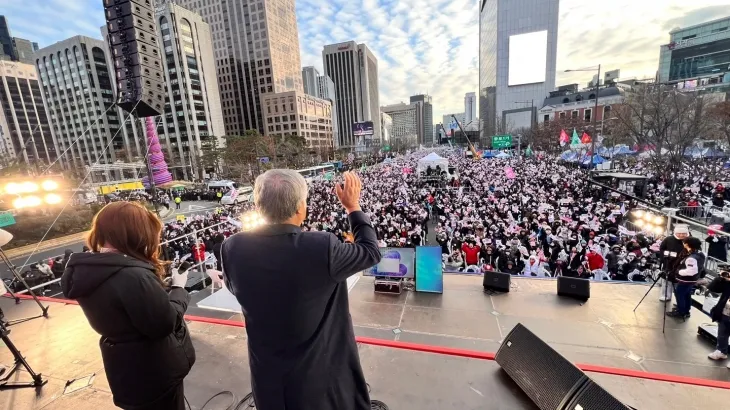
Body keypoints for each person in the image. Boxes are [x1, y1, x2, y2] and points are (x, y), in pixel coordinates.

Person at [221, 170, 381, 410]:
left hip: (268, 383)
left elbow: (238, 289)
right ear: (300, 208)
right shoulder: (321, 247)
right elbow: (371, 251)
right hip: (319, 386)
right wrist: (353, 206)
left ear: (258, 205)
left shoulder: (232, 248)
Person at [61, 202, 195, 410]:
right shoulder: (134, 276)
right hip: (153, 370)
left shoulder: (84, 269)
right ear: (137, 234)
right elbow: (163, 324)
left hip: (123, 368)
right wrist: (178, 289)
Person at [666, 237, 704, 319]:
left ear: (687, 244)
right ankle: (686, 310)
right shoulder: (699, 254)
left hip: (686, 280)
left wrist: (679, 272)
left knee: (680, 295)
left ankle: (681, 312)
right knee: (687, 295)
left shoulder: (691, 258)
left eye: (684, 242)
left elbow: (691, 271)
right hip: (692, 280)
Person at [658, 224, 689, 302]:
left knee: (679, 283)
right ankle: (666, 296)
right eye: (679, 233)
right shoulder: (668, 239)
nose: (681, 235)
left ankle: (678, 299)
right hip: (668, 263)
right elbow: (662, 249)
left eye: (683, 233)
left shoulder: (690, 240)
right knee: (666, 281)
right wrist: (664, 259)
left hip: (682, 265)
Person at [706, 269, 730, 367]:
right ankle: (721, 351)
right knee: (722, 334)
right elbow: (712, 288)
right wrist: (721, 278)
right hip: (725, 312)